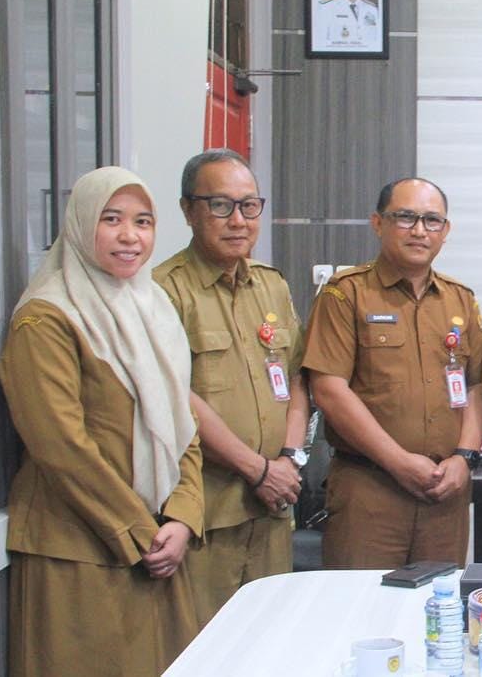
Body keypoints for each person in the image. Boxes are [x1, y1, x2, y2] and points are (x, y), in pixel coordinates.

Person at [0, 166, 203, 676]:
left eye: (142, 221)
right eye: (111, 219)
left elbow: (182, 424)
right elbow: (61, 446)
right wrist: (140, 529)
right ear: (80, 223)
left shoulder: (153, 309)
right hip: (80, 550)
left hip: (158, 546)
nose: (130, 236)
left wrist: (183, 517)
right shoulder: (46, 318)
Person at [153, 149, 309, 626]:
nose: (238, 220)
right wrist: (257, 469)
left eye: (249, 205)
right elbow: (175, 398)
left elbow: (297, 379)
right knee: (204, 644)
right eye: (220, 205)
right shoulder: (163, 292)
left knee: (270, 638)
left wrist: (289, 460)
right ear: (188, 210)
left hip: (272, 508)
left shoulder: (271, 285)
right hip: (207, 513)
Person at [302, 177, 482, 569]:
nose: (419, 231)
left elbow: (477, 386)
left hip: (444, 493)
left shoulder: (461, 299)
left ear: (445, 230)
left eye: (432, 220)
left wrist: (465, 457)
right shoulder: (346, 293)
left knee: (440, 604)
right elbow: (329, 389)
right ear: (378, 223)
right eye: (405, 217)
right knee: (362, 601)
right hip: (370, 490)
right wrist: (398, 462)